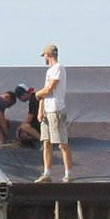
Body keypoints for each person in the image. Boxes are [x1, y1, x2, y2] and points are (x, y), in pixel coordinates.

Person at [33, 42, 74, 183]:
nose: (43, 58)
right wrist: (40, 110)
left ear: (48, 54)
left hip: (56, 109)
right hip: (47, 110)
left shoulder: (58, 68)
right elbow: (45, 93)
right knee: (46, 143)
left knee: (62, 143)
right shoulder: (49, 71)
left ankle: (68, 174)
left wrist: (36, 94)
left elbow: (49, 89)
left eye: (44, 55)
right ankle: (47, 173)